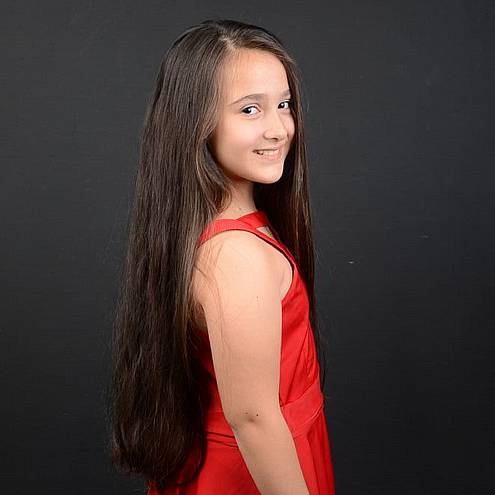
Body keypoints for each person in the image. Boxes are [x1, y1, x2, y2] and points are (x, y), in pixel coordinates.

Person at [108, 18, 335, 494]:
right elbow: (254, 419)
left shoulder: (219, 230)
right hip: (251, 473)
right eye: (250, 109)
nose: (278, 128)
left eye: (284, 104)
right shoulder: (236, 255)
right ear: (197, 122)